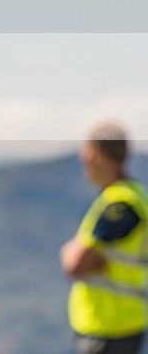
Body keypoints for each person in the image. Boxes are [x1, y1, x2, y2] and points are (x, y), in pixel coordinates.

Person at [61, 123, 148, 354]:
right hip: (124, 322)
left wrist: (73, 248)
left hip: (109, 327)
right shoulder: (135, 195)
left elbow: (74, 264)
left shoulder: (120, 203)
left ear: (95, 153)